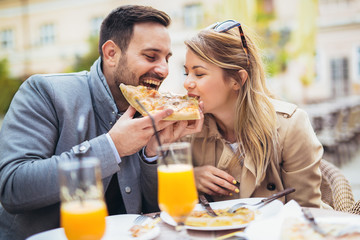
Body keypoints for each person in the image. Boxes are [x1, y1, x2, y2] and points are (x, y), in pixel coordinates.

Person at [0, 5, 202, 240]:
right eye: (150, 56)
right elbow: (13, 187)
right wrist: (112, 147)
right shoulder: (46, 92)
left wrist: (152, 155)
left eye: (167, 59)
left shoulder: (150, 110)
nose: (164, 70)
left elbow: (153, 211)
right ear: (111, 54)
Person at [182, 20, 324, 208]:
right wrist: (189, 178)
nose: (187, 83)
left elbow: (306, 210)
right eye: (186, 74)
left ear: (237, 79)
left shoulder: (291, 126)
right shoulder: (187, 127)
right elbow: (165, 206)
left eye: (199, 74)